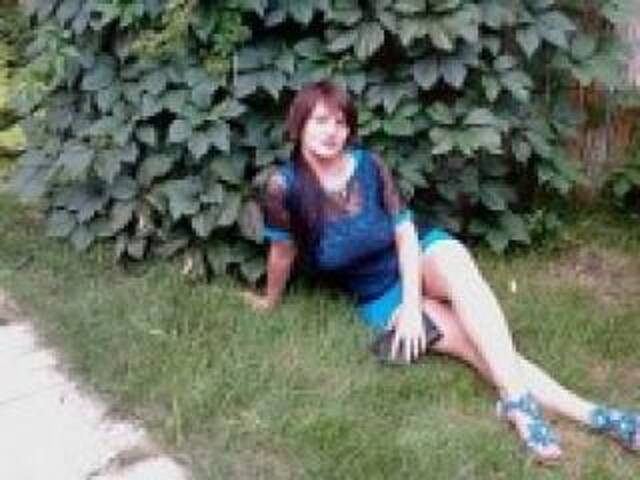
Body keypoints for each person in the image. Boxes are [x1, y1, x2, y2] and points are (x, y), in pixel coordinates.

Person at [243, 80, 639, 463]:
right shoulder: (284, 187)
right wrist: (270, 300)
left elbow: (404, 233)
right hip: (379, 292)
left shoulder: (369, 165)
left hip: (421, 252)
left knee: (463, 276)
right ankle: (600, 416)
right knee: (480, 347)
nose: (332, 132)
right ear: (299, 124)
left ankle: (518, 404)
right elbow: (282, 252)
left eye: (340, 122)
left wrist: (413, 307)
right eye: (320, 121)